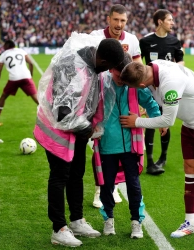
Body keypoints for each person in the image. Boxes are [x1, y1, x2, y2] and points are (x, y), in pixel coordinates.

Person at [119, 60, 194, 247]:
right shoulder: (153, 66)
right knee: (190, 171)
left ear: (142, 85)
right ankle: (190, 223)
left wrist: (136, 122)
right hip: (191, 122)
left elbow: (168, 119)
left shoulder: (170, 83)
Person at [33, 34, 125, 247]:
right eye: (108, 67)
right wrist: (88, 129)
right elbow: (63, 114)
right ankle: (58, 228)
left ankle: (76, 220)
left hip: (77, 129)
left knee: (77, 172)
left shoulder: (92, 59)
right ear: (103, 61)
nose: (107, 72)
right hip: (57, 129)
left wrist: (89, 126)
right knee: (59, 176)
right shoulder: (72, 68)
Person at [93, 52, 161, 238]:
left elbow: (151, 104)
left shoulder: (133, 83)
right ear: (111, 69)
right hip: (106, 144)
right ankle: (108, 219)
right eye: (118, 74)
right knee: (106, 185)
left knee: (133, 185)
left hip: (131, 145)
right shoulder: (101, 84)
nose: (122, 79)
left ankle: (135, 222)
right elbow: (89, 107)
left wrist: (159, 121)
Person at [89, 3, 142, 208]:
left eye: (123, 21)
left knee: (122, 147)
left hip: (123, 100)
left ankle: (112, 187)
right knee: (99, 148)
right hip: (98, 99)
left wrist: (140, 104)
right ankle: (98, 190)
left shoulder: (132, 40)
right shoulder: (95, 36)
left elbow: (137, 69)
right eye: (116, 20)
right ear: (108, 19)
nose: (119, 24)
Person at [139, 9, 184, 175]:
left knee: (166, 121)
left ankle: (163, 157)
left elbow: (181, 62)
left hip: (167, 88)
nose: (172, 23)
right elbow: (140, 65)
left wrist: (172, 73)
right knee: (152, 120)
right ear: (160, 22)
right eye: (169, 20)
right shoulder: (145, 42)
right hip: (151, 88)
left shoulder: (175, 41)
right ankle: (150, 161)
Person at [0, 40, 38, 125]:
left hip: (14, 78)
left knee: (3, 97)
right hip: (26, 77)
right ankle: (50, 118)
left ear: (7, 45)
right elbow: (31, 63)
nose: (3, 46)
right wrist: (30, 76)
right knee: (37, 99)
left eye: (4, 45)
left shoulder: (3, 55)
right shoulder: (21, 51)